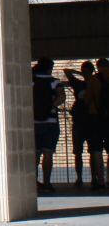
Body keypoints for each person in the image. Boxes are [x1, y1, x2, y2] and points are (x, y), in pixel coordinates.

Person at [64, 61, 101, 188]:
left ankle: (85, 178)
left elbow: (67, 72)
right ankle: (91, 178)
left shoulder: (83, 83)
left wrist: (83, 75)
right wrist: (84, 74)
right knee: (89, 151)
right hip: (89, 120)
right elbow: (66, 71)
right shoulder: (92, 82)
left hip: (82, 120)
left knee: (83, 151)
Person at [33, 57, 65, 193]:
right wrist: (51, 106)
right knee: (48, 153)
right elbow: (62, 97)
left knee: (34, 155)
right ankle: (47, 182)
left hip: (33, 122)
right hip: (50, 122)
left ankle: (33, 183)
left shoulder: (31, 81)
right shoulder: (54, 82)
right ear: (49, 68)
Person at [87, 57, 109, 185]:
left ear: (98, 66)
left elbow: (88, 99)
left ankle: (100, 181)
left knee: (96, 150)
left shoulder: (94, 79)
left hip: (95, 116)